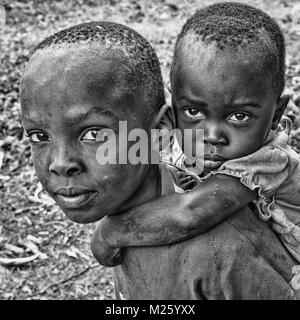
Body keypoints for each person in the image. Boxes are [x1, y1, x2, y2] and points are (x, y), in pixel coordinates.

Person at [20, 20, 297, 300]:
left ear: (158, 133)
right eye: (39, 136)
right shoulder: (151, 194)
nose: (60, 163)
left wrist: (109, 233)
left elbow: (190, 214)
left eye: (92, 133)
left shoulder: (220, 247)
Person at [92, 2, 300, 265]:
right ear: (174, 102)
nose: (212, 135)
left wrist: (109, 234)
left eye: (239, 116)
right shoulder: (195, 149)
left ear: (277, 114)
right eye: (193, 112)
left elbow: (190, 215)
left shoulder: (267, 161)